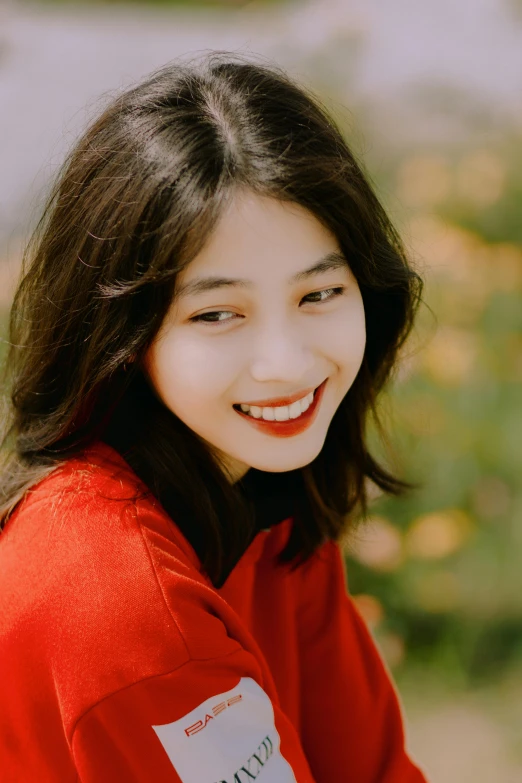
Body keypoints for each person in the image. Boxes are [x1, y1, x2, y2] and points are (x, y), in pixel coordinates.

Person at [0, 51, 429, 782]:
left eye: (318, 294)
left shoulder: (261, 486)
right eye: (218, 312)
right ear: (126, 337)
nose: (286, 364)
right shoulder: (118, 605)